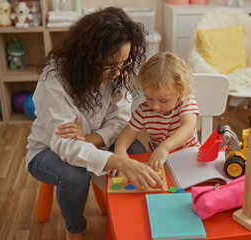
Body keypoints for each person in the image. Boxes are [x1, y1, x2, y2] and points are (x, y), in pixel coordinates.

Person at [25, 7, 164, 240]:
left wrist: (91, 139)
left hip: (91, 139)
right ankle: (75, 229)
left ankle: (133, 215)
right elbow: (67, 147)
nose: (117, 73)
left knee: (137, 152)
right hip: (47, 150)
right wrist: (117, 160)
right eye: (110, 65)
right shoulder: (54, 81)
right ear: (87, 56)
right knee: (75, 176)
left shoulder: (114, 73)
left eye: (122, 64)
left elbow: (120, 120)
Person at [115, 52, 200, 172]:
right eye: (149, 98)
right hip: (159, 161)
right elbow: (127, 134)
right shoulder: (144, 110)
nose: (155, 106)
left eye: (163, 101)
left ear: (180, 91)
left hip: (188, 159)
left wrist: (164, 147)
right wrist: (120, 154)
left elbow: (188, 127)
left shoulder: (186, 102)